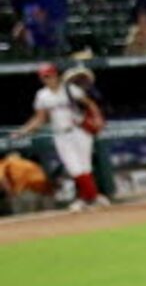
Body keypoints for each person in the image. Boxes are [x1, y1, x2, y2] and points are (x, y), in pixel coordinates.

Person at [10, 61, 105, 210]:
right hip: (61, 135)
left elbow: (90, 104)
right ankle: (92, 197)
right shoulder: (42, 95)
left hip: (79, 131)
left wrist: (98, 118)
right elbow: (40, 118)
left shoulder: (70, 89)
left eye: (49, 75)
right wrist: (24, 130)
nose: (47, 79)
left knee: (84, 167)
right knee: (74, 168)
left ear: (56, 75)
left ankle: (87, 198)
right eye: (44, 76)